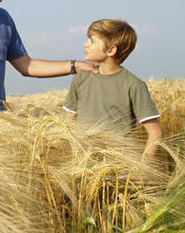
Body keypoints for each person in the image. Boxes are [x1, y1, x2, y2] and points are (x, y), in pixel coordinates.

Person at [62, 18, 163, 157]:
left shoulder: (134, 85)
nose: (85, 44)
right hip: (83, 166)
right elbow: (69, 122)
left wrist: (141, 169)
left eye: (92, 41)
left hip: (119, 168)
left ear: (110, 50)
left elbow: (155, 132)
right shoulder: (80, 78)